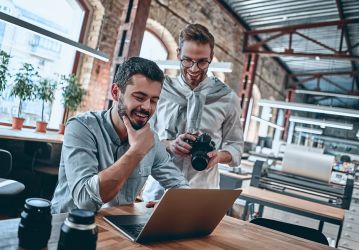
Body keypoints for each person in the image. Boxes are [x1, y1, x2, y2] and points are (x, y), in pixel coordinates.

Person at [51, 57, 189, 213]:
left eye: (153, 100)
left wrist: (170, 203)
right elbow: (86, 203)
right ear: (116, 92)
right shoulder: (81, 127)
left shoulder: (151, 139)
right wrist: (136, 151)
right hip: (69, 226)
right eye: (139, 97)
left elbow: (181, 187)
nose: (147, 107)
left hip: (117, 229)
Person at [143, 23, 243, 201]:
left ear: (211, 57)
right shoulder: (160, 91)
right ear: (178, 53)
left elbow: (235, 146)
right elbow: (143, 137)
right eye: (187, 60)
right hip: (159, 190)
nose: (194, 69)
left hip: (203, 193)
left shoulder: (227, 98)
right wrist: (169, 145)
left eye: (202, 61)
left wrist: (219, 156)